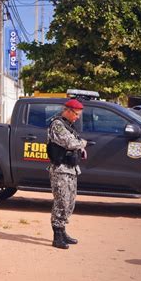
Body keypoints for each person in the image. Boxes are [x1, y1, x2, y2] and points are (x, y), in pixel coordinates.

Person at [47, 99, 87, 249]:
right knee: (61, 202)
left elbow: (73, 141)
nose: (77, 117)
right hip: (60, 170)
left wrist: (80, 144)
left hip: (70, 169)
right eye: (76, 114)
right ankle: (57, 237)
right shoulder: (57, 125)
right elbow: (70, 143)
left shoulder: (68, 126)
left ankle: (63, 232)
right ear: (68, 110)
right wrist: (82, 143)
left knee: (69, 202)